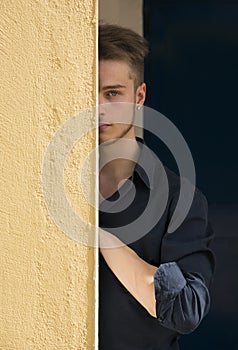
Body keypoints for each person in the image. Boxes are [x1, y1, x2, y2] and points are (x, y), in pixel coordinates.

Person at [98, 24, 215, 350]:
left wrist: (99, 236)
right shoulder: (53, 187)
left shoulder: (180, 199)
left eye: (112, 93)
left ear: (139, 97)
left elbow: (186, 311)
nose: (98, 108)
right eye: (86, 92)